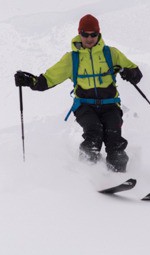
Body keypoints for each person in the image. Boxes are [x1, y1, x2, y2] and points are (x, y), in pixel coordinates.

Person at [15, 14, 142, 172]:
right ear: (79, 34)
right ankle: (88, 173)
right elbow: (47, 80)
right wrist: (29, 81)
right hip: (85, 106)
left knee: (114, 137)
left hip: (110, 105)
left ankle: (118, 174)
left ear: (98, 34)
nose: (89, 38)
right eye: (85, 34)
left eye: (93, 34)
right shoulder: (72, 58)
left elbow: (136, 74)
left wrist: (130, 73)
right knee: (94, 134)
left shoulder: (111, 54)